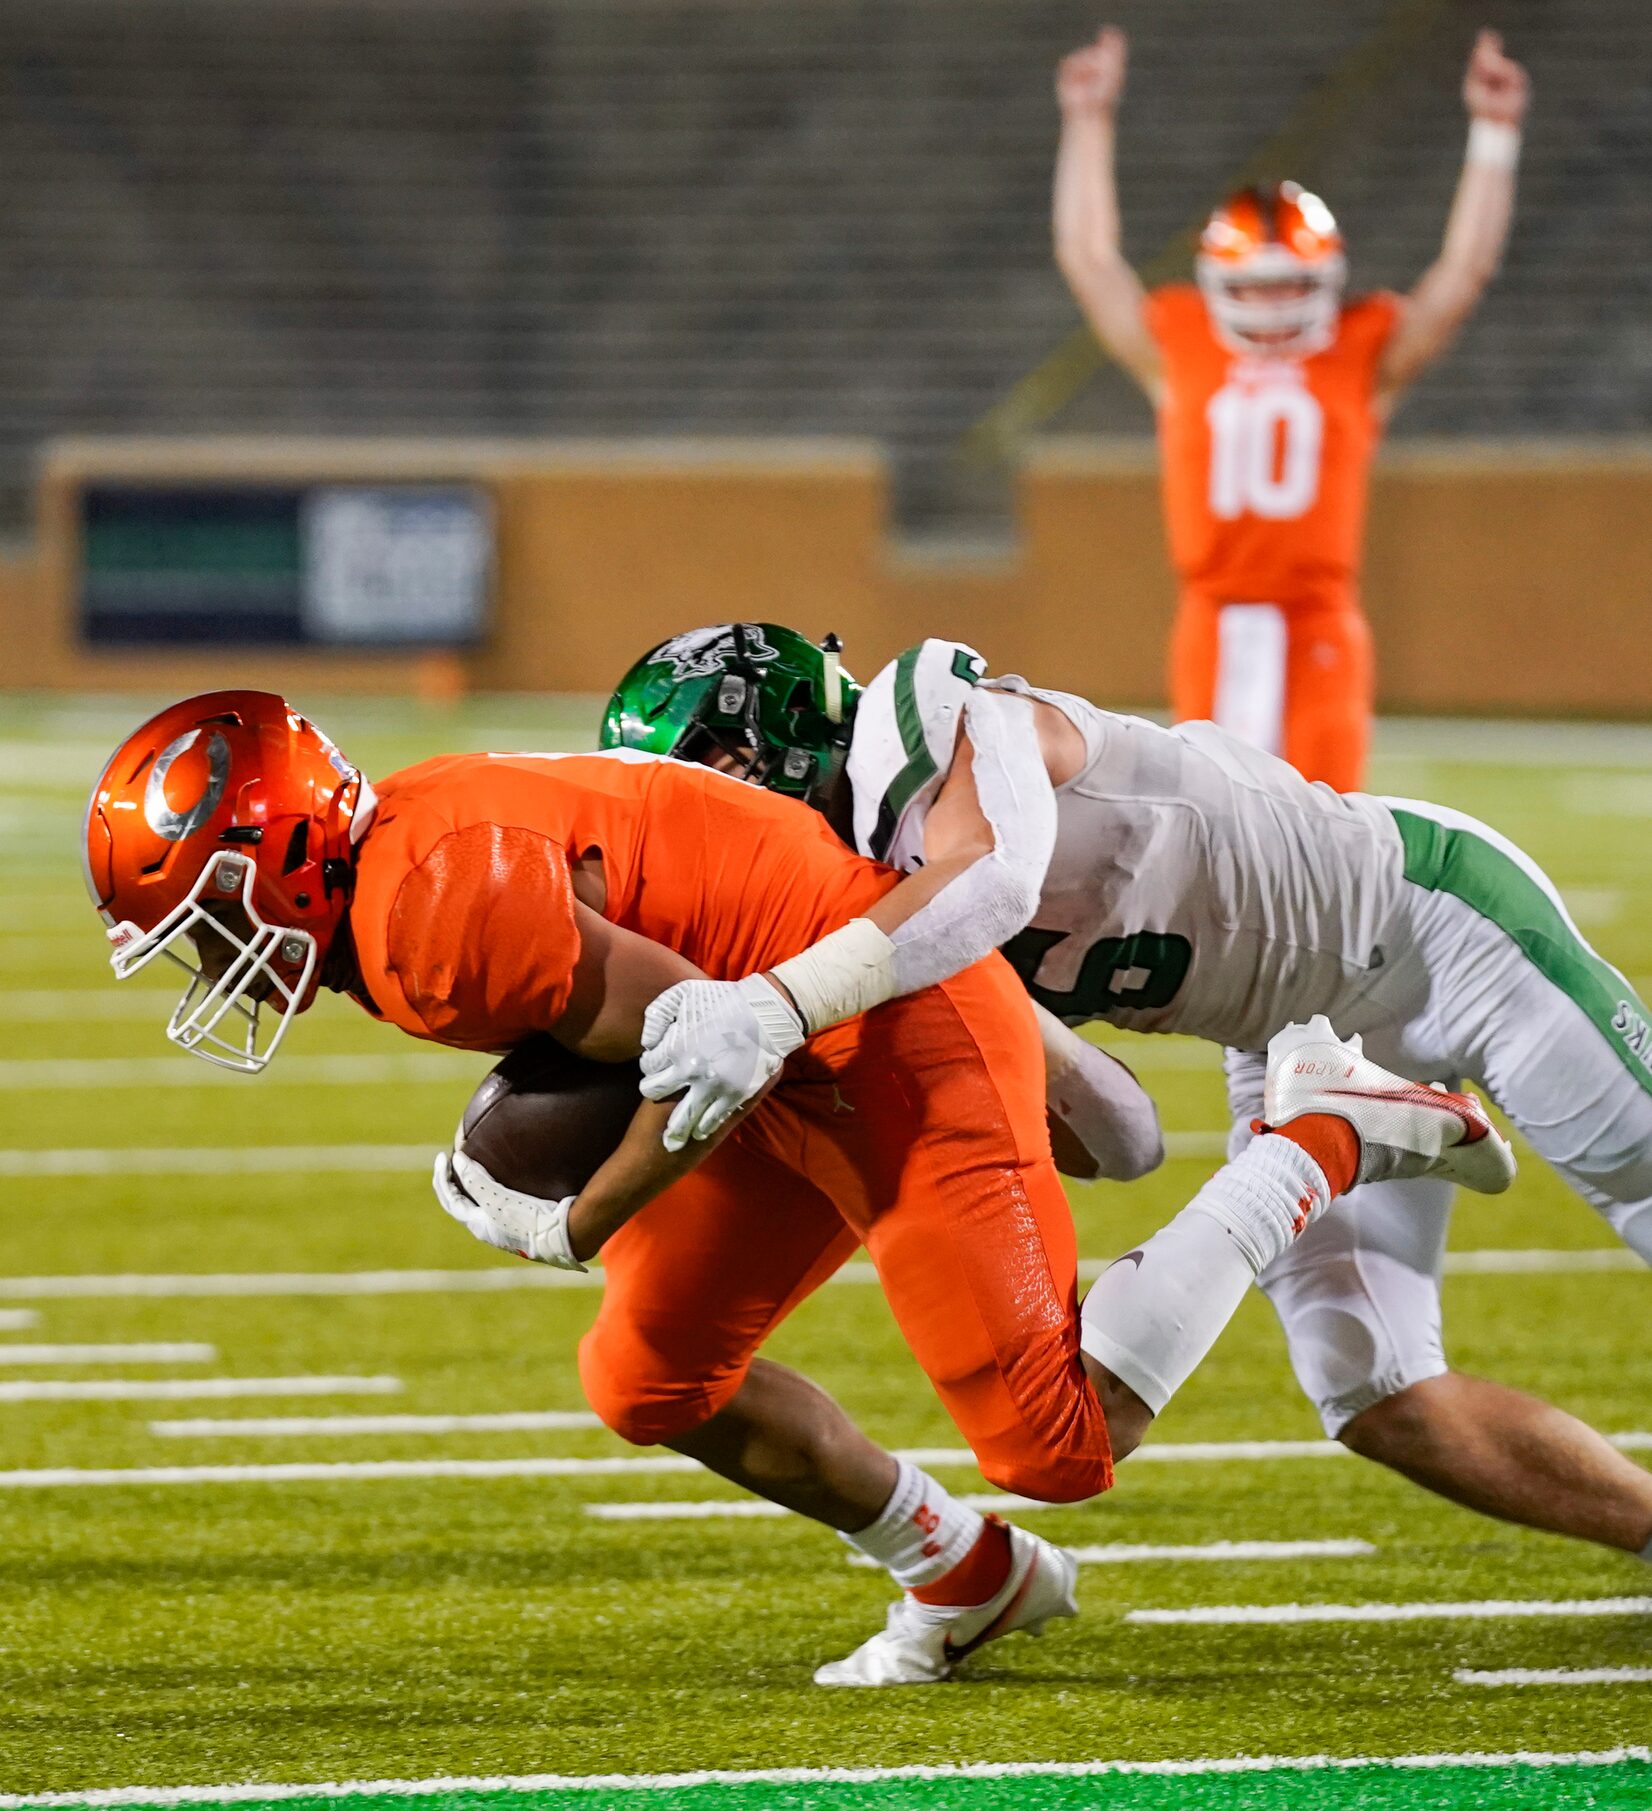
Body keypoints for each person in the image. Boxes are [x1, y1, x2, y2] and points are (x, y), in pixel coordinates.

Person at [82, 688, 1505, 1687]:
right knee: (650, 1375)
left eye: (206, 920)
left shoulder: (428, 916)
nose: (215, 964)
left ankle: (1317, 1132)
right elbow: (690, 1036)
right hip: (783, 1039)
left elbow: (712, 1048)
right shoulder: (405, 864)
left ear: (276, 854)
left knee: (1057, 1438)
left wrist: (577, 1217)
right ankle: (960, 1572)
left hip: (877, 1027)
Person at [607, 624, 1652, 1568]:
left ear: (766, 743)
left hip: (1440, 930)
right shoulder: (871, 917)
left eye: (702, 786)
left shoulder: (921, 720)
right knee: (1374, 1390)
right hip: (1288, 1038)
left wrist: (785, 1004)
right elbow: (1125, 1135)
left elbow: (993, 882)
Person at [1052, 25, 1530, 790]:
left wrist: (1495, 136)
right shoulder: (1181, 349)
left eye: (1290, 284)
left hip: (1317, 623)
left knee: (1328, 834)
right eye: (1254, 285)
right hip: (1212, 616)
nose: (1273, 303)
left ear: (1325, 281)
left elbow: (1463, 273)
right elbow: (1088, 256)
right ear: (1216, 284)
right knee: (1208, 834)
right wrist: (1086, 120)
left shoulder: (1360, 353)